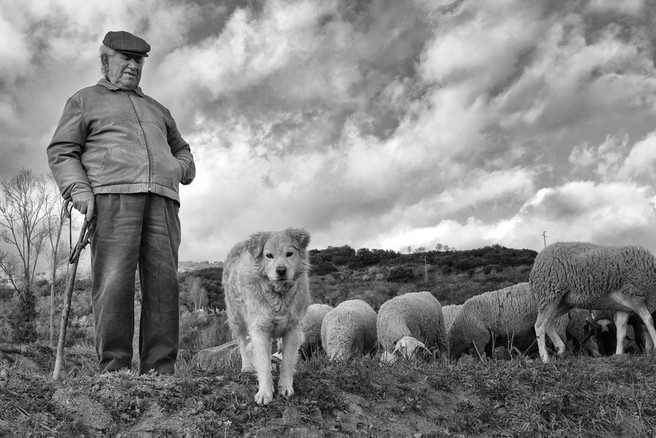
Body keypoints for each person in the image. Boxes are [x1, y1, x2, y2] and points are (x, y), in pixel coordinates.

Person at [47, 30, 196, 375]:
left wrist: (179, 169)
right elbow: (62, 151)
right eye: (125, 58)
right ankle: (114, 370)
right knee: (114, 280)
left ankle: (160, 370)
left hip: (162, 198)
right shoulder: (84, 100)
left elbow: (182, 149)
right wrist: (80, 191)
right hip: (112, 196)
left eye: (138, 61)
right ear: (105, 61)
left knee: (164, 283)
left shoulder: (157, 108)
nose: (133, 65)